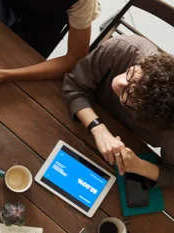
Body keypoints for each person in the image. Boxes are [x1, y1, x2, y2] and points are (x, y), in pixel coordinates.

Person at [63, 35, 174, 188]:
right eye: (132, 75)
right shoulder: (124, 48)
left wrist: (138, 166)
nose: (121, 82)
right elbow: (74, 85)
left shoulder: (169, 128)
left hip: (124, 152)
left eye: (129, 94)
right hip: (76, 118)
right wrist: (98, 128)